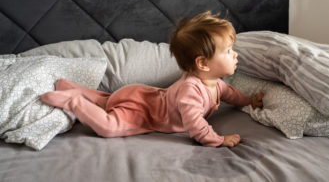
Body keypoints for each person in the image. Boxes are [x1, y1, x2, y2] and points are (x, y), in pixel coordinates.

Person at [41, 11, 265, 148]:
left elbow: (229, 94)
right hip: (142, 111)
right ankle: (74, 102)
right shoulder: (191, 91)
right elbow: (195, 126)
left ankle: (70, 87)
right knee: (110, 126)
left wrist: (249, 101)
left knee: (108, 102)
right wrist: (218, 140)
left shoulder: (214, 82)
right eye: (228, 51)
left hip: (140, 95)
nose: (235, 54)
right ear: (203, 64)